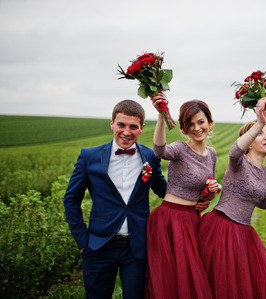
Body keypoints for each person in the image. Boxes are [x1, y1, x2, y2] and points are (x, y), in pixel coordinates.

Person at [64, 99, 167, 299]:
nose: (126, 132)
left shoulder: (151, 157)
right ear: (112, 123)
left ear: (142, 128)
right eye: (121, 125)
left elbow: (164, 191)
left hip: (136, 248)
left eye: (133, 127)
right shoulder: (89, 156)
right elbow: (71, 199)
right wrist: (83, 241)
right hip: (98, 246)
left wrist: (199, 193)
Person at [199, 98, 266, 299]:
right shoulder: (238, 162)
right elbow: (233, 151)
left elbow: (259, 199)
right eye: (260, 134)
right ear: (249, 141)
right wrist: (259, 122)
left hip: (244, 233)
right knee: (219, 283)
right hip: (221, 227)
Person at [145, 93, 220, 299]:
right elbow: (159, 150)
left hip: (192, 220)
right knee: (172, 279)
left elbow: (204, 196)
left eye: (201, 122)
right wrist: (161, 116)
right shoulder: (179, 148)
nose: (196, 128)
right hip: (170, 220)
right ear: (184, 128)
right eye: (190, 124)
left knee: (191, 276)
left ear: (209, 123)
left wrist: (210, 193)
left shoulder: (212, 154)